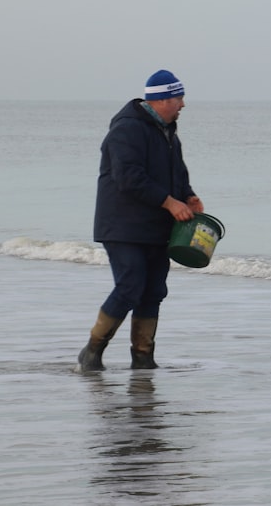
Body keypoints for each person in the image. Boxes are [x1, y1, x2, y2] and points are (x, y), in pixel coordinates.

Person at [76, 69, 204, 373]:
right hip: (122, 226)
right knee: (130, 286)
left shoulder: (168, 130)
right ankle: (92, 350)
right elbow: (128, 177)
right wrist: (169, 202)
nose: (183, 105)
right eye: (179, 98)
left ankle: (143, 357)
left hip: (158, 226)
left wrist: (188, 196)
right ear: (161, 100)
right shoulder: (127, 129)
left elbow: (177, 173)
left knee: (154, 290)